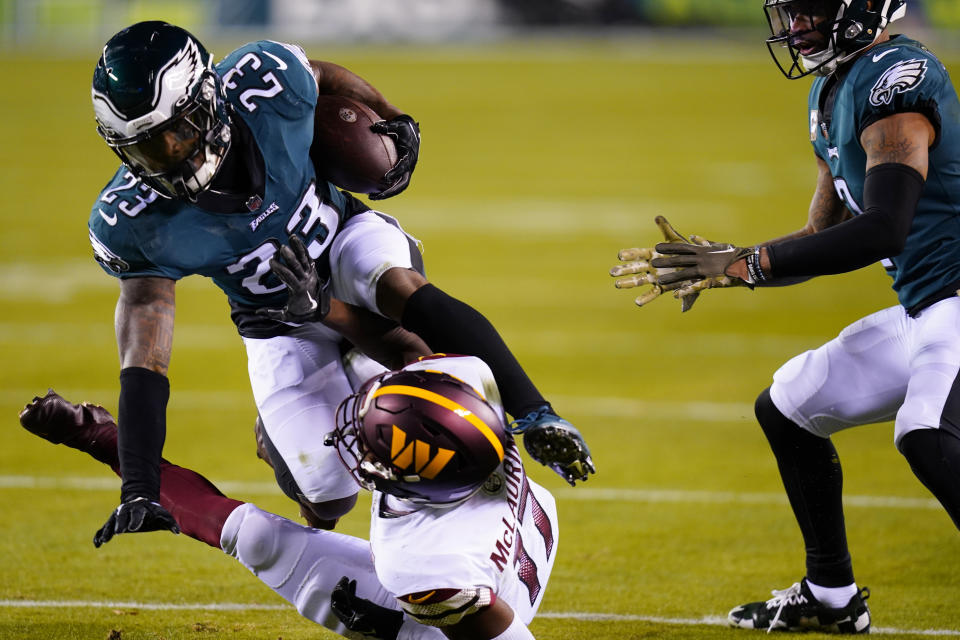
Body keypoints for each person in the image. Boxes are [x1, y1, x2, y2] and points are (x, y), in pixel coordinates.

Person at [87, 21, 594, 541]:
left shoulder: (266, 83)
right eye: (149, 148)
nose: (173, 152)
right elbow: (145, 361)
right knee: (328, 496)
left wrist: (393, 117)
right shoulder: (133, 221)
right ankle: (276, 439)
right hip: (276, 319)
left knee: (403, 313)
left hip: (343, 237)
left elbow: (322, 75)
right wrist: (140, 487)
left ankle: (536, 413)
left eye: (181, 128)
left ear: (210, 100)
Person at [610, 0, 959, 633]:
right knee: (790, 403)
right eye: (790, 10)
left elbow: (884, 227)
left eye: (813, 9)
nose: (795, 25)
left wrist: (749, 263)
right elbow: (819, 235)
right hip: (931, 308)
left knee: (926, 435)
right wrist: (732, 267)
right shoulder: (833, 88)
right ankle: (832, 598)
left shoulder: (895, 78)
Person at [20, 353, 555, 640]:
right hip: (490, 545)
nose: (354, 443)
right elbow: (410, 359)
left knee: (256, 538)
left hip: (461, 618)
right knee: (376, 371)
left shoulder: (420, 566)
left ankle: (102, 438)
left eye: (372, 451)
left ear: (413, 479)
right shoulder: (468, 397)